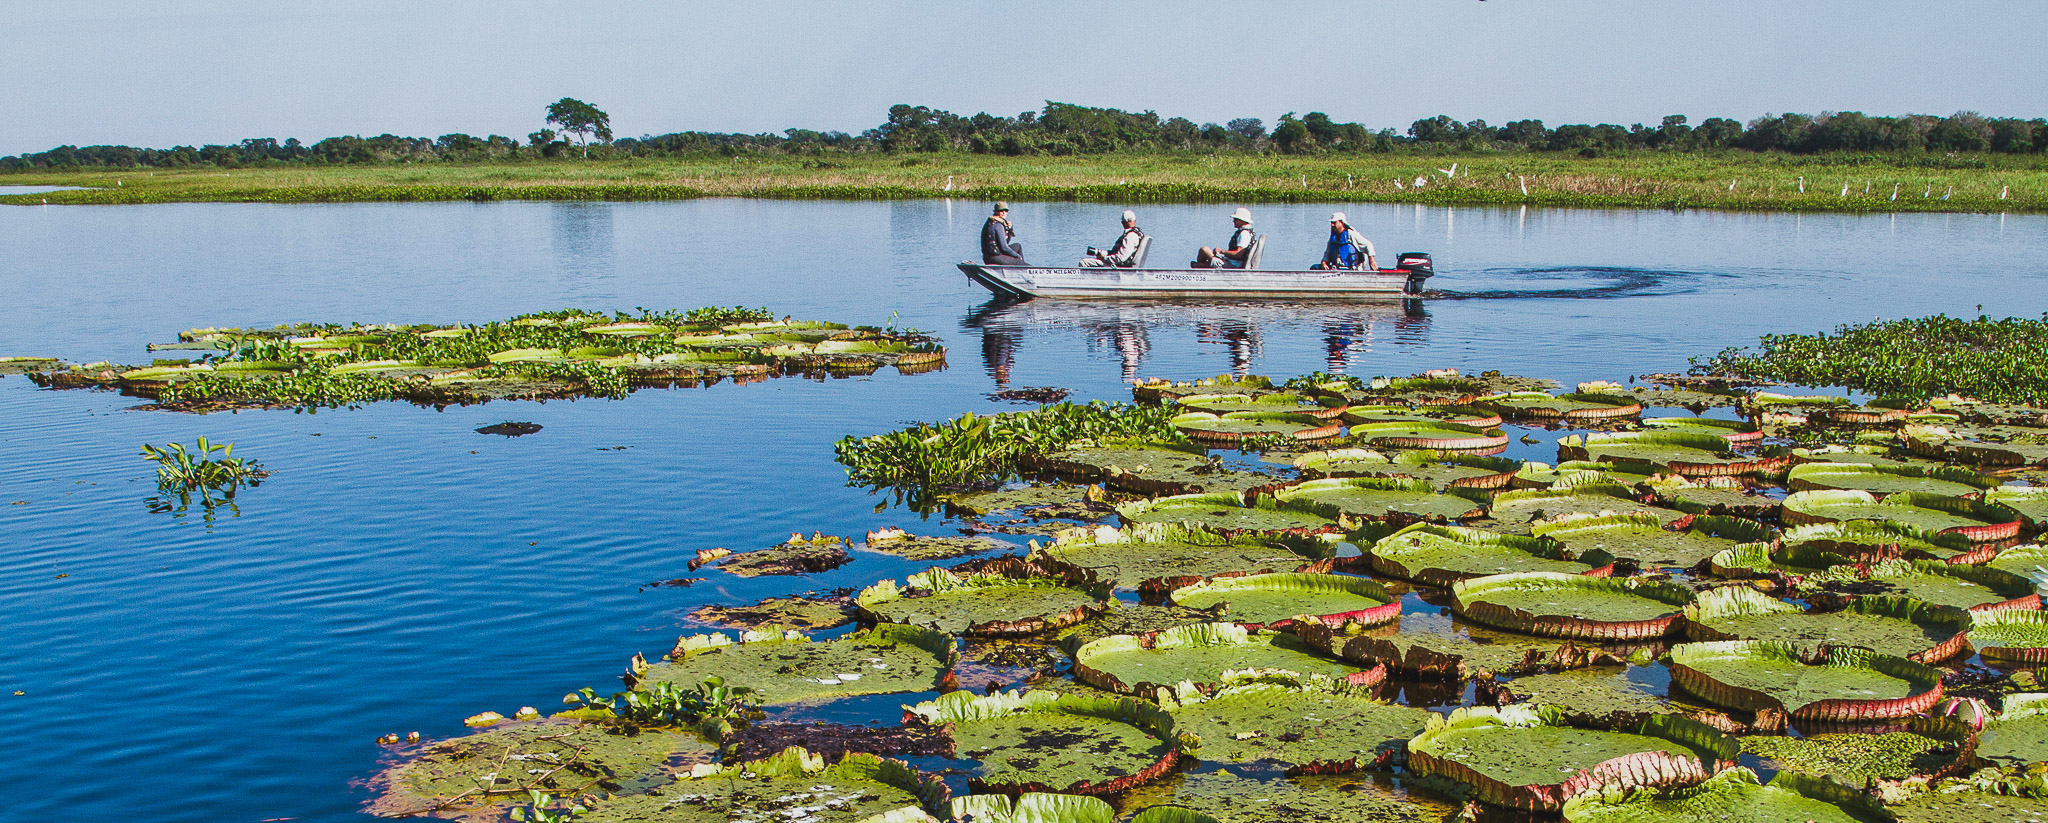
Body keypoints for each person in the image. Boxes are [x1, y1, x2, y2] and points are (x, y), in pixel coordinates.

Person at [1313, 212, 1377, 271]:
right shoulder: (1333, 238)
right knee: (1314, 267)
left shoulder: (1351, 234)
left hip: (1352, 269)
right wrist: (1324, 262)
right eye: (1331, 223)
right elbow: (1327, 254)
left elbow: (1369, 245)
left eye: (1334, 222)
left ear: (1341, 223)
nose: (1332, 225)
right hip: (1336, 268)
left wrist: (1371, 261)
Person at [1081, 210, 1145, 267]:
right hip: (1121, 263)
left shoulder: (1130, 236)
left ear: (1123, 223)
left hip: (1119, 266)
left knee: (1083, 262)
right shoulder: (1137, 233)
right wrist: (1101, 252)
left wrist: (1103, 258)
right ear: (1135, 220)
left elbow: (1121, 258)